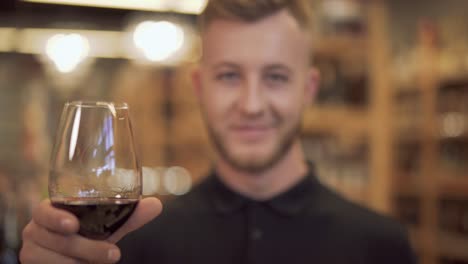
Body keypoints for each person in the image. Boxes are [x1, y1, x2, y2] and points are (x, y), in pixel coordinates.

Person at [19, 0, 417, 263]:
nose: (251, 103)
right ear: (199, 88)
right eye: (229, 75)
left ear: (308, 89)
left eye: (276, 77)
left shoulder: (382, 246)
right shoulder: (134, 244)